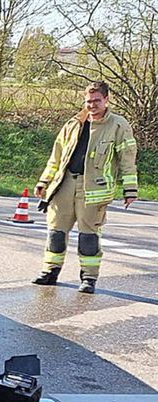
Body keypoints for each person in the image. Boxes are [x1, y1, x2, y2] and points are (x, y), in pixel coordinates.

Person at [32, 81, 138, 294]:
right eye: (88, 101)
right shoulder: (73, 123)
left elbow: (127, 159)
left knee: (88, 237)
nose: (92, 105)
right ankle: (49, 272)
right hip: (64, 184)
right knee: (56, 232)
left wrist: (130, 189)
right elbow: (56, 157)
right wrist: (44, 182)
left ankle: (88, 278)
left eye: (96, 101)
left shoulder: (118, 125)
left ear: (106, 100)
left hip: (93, 189)